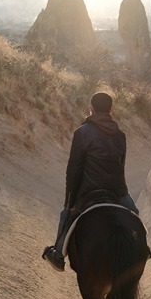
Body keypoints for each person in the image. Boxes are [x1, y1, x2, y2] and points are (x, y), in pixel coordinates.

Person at [42, 92, 139, 272]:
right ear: (111, 111)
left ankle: (58, 256)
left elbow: (74, 170)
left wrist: (70, 202)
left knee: (66, 217)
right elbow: (121, 167)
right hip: (117, 192)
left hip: (87, 192)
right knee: (136, 216)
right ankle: (143, 250)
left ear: (91, 109)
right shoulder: (121, 136)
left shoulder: (82, 133)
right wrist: (121, 193)